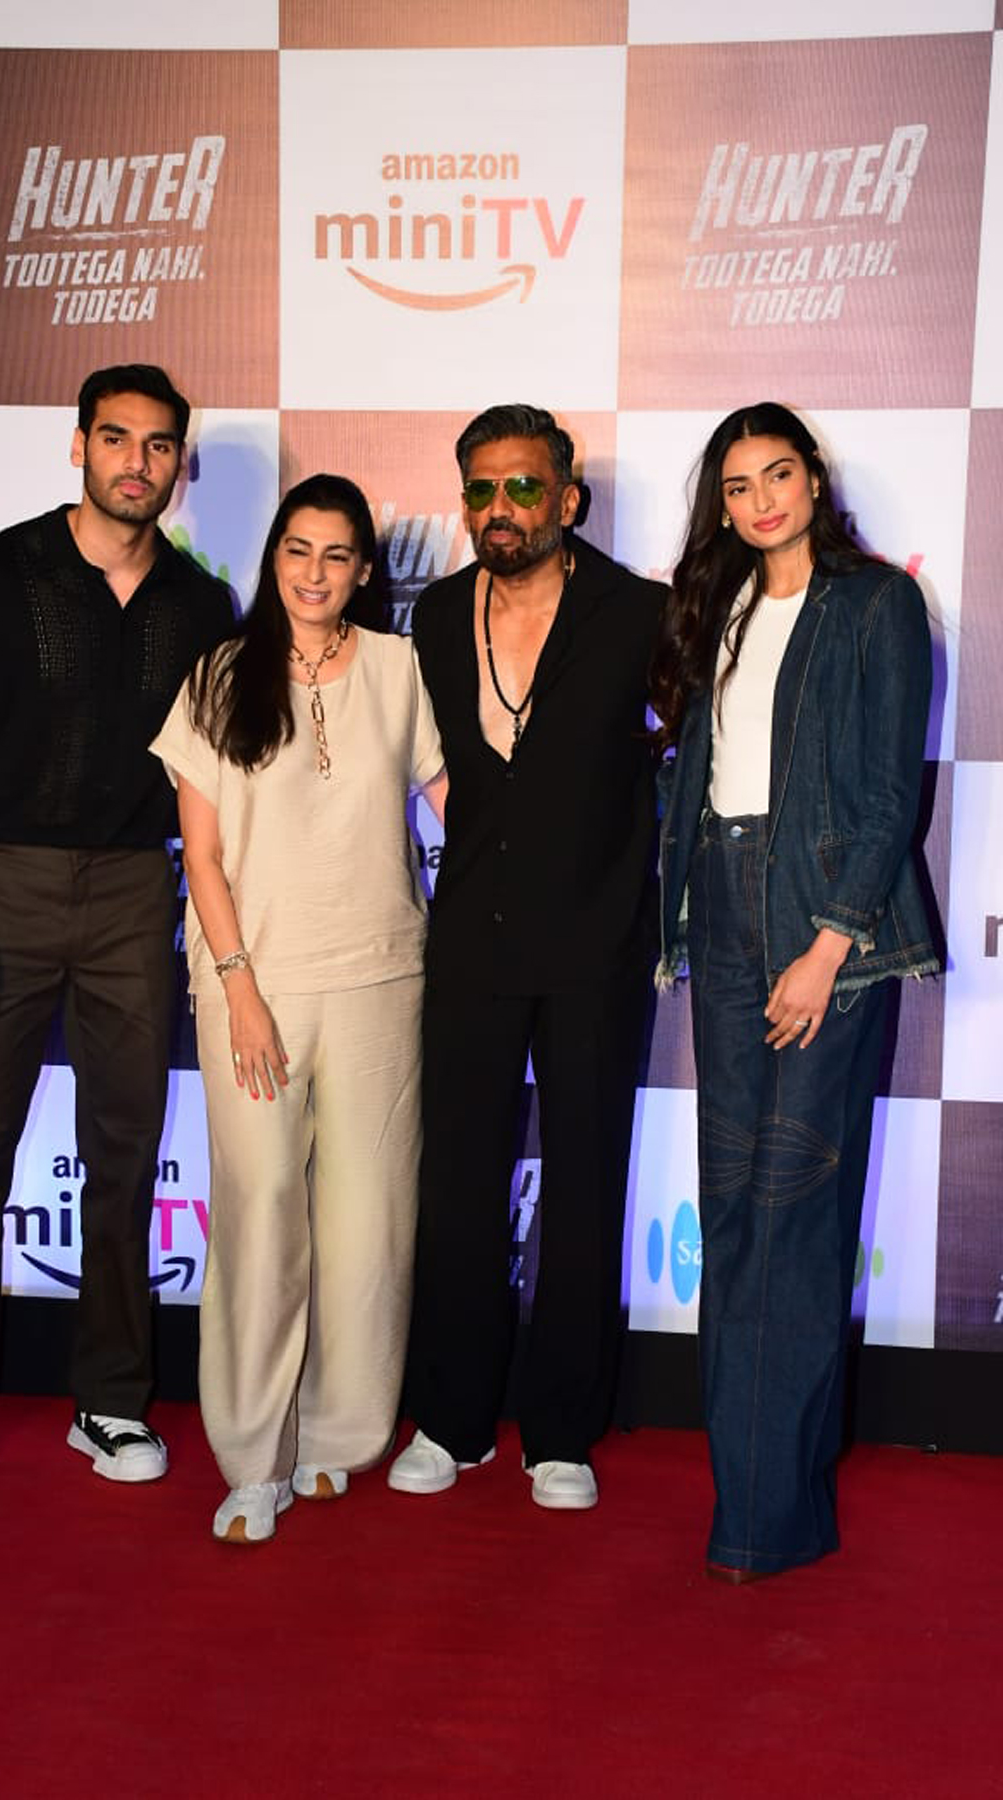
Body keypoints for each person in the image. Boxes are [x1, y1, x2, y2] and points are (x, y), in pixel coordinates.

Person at [0, 363, 233, 1495]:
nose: (137, 462)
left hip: (139, 892)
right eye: (117, 439)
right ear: (79, 446)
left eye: (158, 446)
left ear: (178, 467)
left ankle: (111, 1404)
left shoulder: (199, 603)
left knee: (128, 1154)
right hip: (1, 886)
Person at [651, 401, 938, 1581]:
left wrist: (825, 947)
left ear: (815, 479)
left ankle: (771, 1519)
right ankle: (753, 1505)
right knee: (730, 1219)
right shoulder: (714, 609)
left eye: (779, 474)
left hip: (826, 925)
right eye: (738, 485)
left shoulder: (877, 604)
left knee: (792, 1214)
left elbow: (885, 797)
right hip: (721, 911)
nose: (762, 499)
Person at [151, 473, 446, 1545]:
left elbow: (460, 803)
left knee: (370, 1228)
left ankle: (336, 1436)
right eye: (296, 551)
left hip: (380, 979)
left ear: (365, 570)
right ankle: (250, 1456)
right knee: (261, 1209)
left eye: (336, 556)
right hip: (254, 986)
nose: (314, 574)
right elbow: (205, 855)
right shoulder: (220, 675)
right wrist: (240, 989)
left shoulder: (405, 670)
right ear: (273, 557)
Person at [388, 404, 665, 1512]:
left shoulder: (638, 613)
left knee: (587, 1185)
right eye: (481, 492)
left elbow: (683, 757)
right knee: (455, 1183)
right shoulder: (437, 612)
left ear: (567, 498)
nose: (501, 510)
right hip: (471, 937)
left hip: (597, 938)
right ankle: (451, 1420)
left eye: (523, 488)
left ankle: (562, 1430)